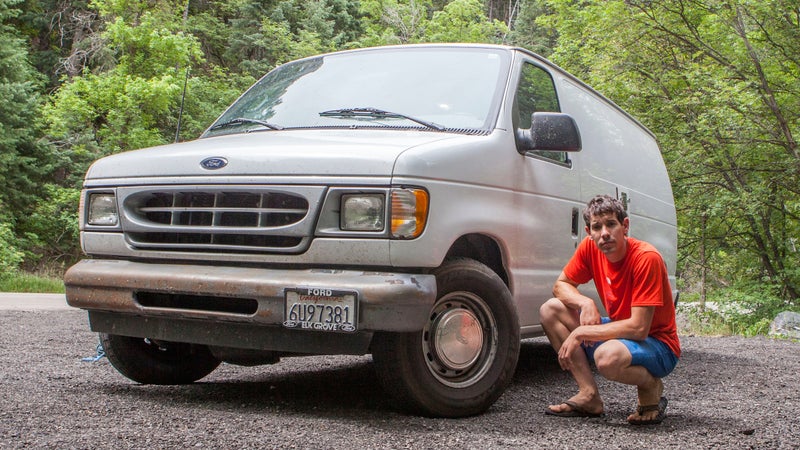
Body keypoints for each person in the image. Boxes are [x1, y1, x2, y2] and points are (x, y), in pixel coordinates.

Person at [539, 194, 680, 425]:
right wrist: (585, 302)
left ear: (625, 226)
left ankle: (650, 385)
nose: (604, 233)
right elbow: (560, 285)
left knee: (606, 358)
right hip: (621, 334)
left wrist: (580, 333)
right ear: (589, 232)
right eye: (597, 227)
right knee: (550, 310)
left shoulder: (646, 258)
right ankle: (589, 396)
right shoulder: (590, 249)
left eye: (611, 224)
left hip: (659, 345)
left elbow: (639, 328)